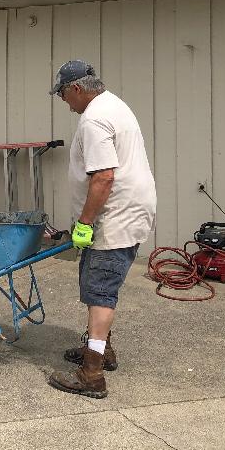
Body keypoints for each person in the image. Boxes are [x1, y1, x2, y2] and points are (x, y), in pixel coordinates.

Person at [46, 60, 156, 398]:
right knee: (98, 285)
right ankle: (100, 349)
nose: (65, 102)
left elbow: (104, 176)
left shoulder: (94, 119)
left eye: (63, 94)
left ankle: (91, 374)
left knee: (101, 292)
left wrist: (84, 224)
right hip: (126, 211)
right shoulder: (114, 105)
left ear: (76, 88)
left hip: (115, 217)